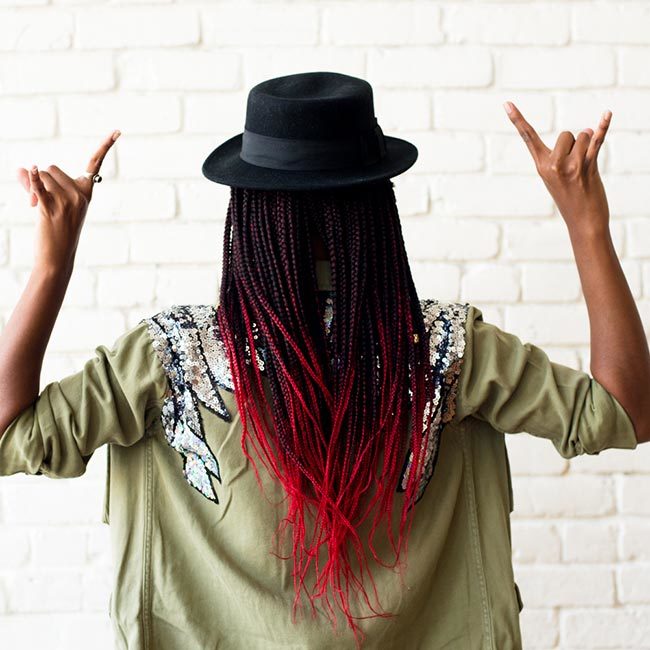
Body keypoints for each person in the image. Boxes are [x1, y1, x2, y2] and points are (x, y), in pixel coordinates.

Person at [0, 71, 647, 650]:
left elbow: (11, 432)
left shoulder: (167, 358)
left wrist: (53, 262)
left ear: (247, 211)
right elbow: (624, 412)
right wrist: (586, 222)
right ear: (377, 210)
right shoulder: (444, 349)